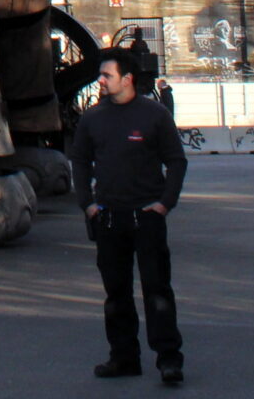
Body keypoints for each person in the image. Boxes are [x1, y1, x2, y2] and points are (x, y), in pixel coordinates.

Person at [69, 50, 188, 385]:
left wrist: (165, 203)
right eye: (101, 75)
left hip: (147, 216)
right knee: (116, 293)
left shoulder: (154, 115)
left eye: (107, 75)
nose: (101, 81)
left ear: (127, 79)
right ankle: (123, 357)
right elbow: (79, 160)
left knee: (157, 290)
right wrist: (87, 204)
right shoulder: (93, 117)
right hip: (107, 218)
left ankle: (168, 359)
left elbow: (176, 161)